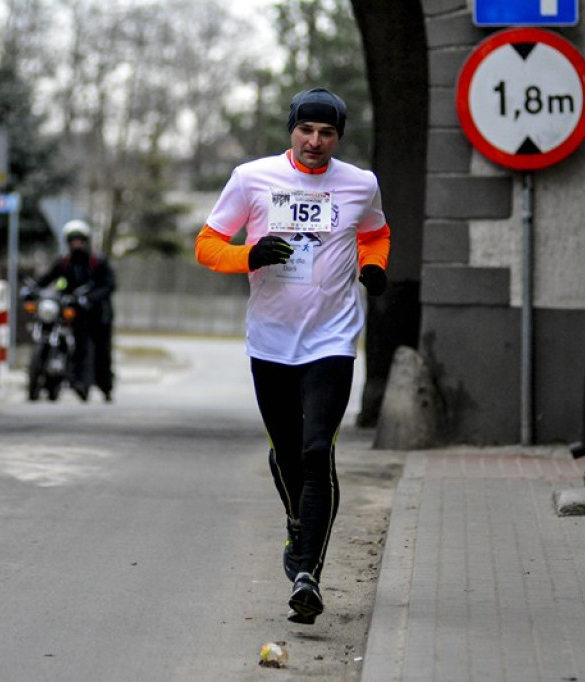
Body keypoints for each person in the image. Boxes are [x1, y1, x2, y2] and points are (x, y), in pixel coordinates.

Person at [194, 88, 390, 625]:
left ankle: (308, 574)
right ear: (292, 130)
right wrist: (248, 254)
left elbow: (376, 234)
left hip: (332, 340)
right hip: (271, 341)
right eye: (306, 130)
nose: (315, 142)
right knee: (285, 453)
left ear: (338, 137)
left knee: (314, 451)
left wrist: (372, 267)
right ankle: (297, 523)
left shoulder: (359, 183)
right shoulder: (252, 178)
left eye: (327, 133)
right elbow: (206, 244)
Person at [32, 219, 116, 402]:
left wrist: (90, 298)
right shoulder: (64, 262)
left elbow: (109, 286)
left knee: (101, 352)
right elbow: (47, 278)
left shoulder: (97, 261)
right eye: (73, 240)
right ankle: (75, 382)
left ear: (86, 240)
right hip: (74, 313)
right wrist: (33, 288)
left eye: (79, 239)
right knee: (78, 346)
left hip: (98, 315)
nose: (76, 243)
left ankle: (105, 386)